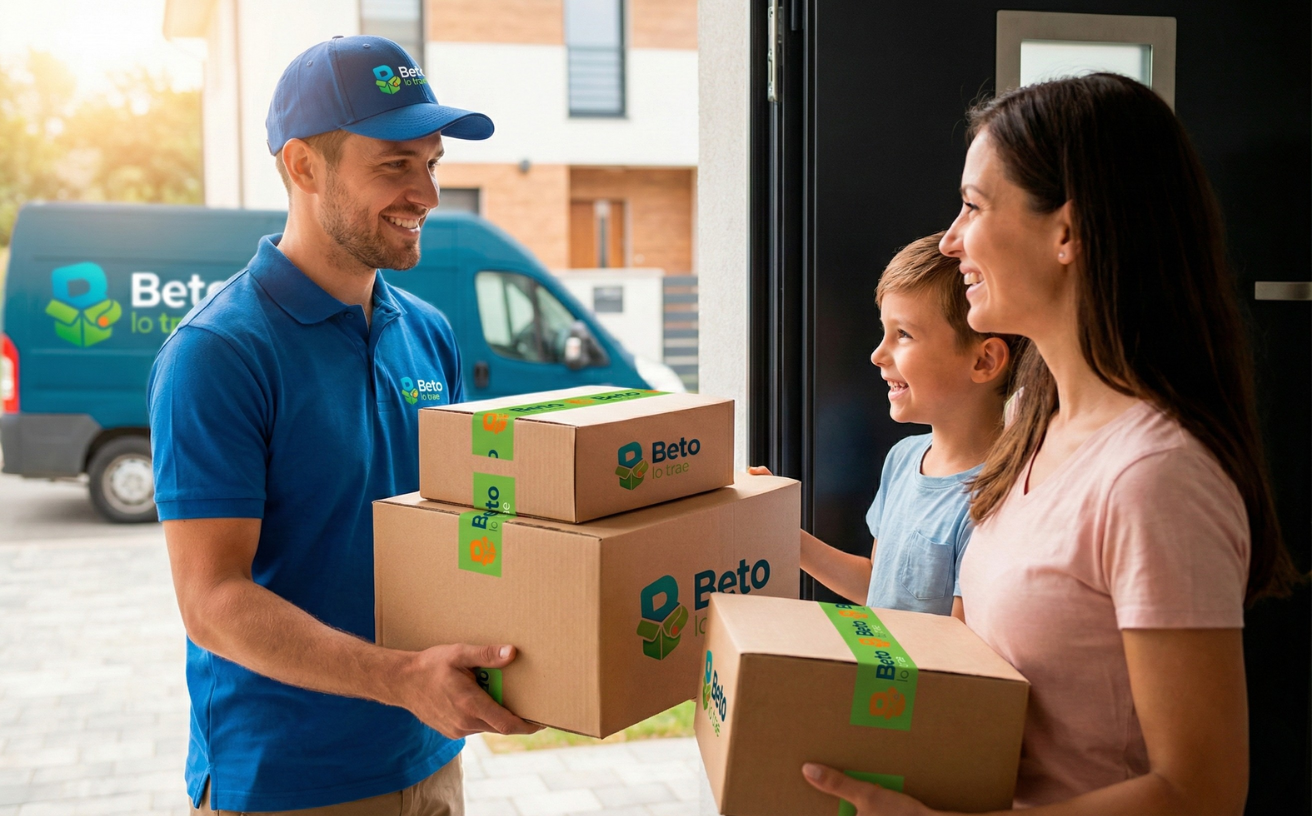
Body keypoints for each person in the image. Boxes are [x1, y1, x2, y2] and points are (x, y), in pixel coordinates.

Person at [802, 73, 1301, 815]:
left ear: (1067, 232)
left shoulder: (1154, 477)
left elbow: (1200, 792)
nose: (951, 239)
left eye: (973, 205)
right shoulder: (1033, 426)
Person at [149, 36, 537, 816]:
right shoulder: (218, 353)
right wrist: (401, 679)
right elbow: (212, 600)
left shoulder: (427, 332)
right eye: (395, 164)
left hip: (429, 758)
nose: (425, 193)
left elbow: (458, 532)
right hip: (289, 781)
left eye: (432, 164)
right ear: (302, 166)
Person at [752, 234, 1020, 619]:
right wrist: (780, 533)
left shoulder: (999, 493)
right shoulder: (903, 457)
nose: (878, 355)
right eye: (883, 332)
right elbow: (876, 583)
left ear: (984, 361)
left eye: (903, 334)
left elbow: (961, 649)